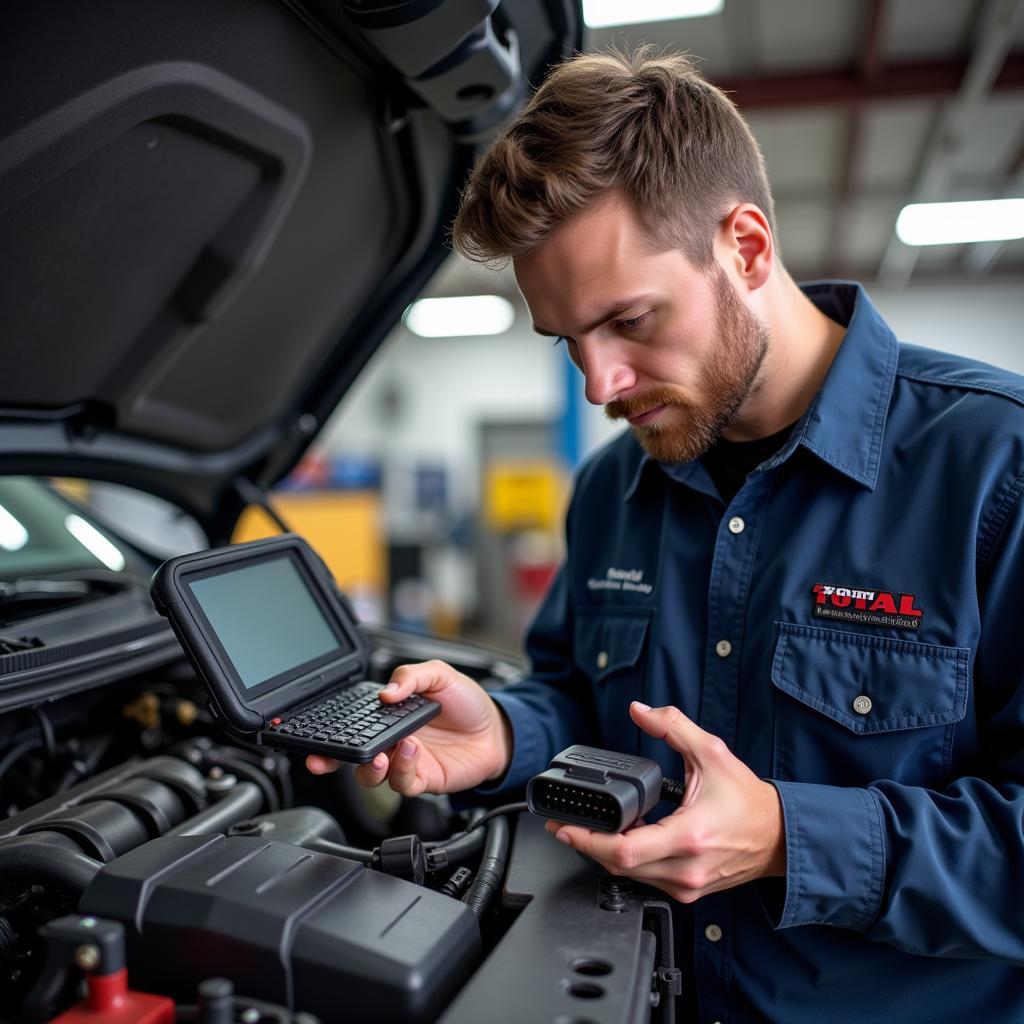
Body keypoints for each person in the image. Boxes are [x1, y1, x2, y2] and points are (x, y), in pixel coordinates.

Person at [309, 48, 1024, 1022]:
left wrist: (785, 835)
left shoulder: (994, 467)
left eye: (629, 320)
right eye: (567, 340)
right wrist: (506, 732)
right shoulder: (615, 487)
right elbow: (576, 692)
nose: (600, 384)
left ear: (747, 246)